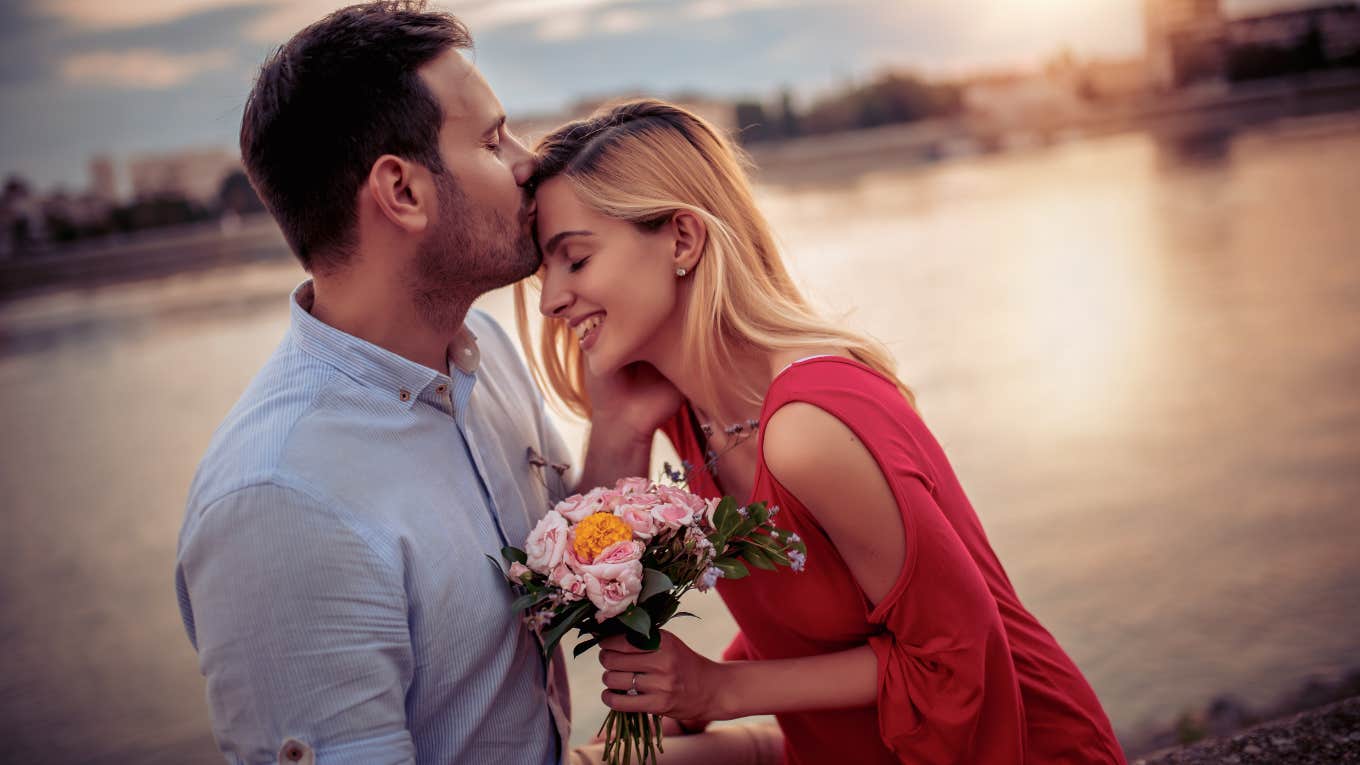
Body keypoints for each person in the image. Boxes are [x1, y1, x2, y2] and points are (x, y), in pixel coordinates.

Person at [518, 99, 1129, 764]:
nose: (550, 299)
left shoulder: (808, 428)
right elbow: (792, 612)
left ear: (684, 239)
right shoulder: (691, 419)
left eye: (574, 260)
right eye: (544, 270)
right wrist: (620, 424)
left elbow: (958, 658)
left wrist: (718, 690)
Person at [174, 4, 661, 763]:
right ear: (402, 192)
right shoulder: (279, 502)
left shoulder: (482, 351)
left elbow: (566, 581)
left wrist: (624, 420)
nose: (528, 159)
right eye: (493, 139)